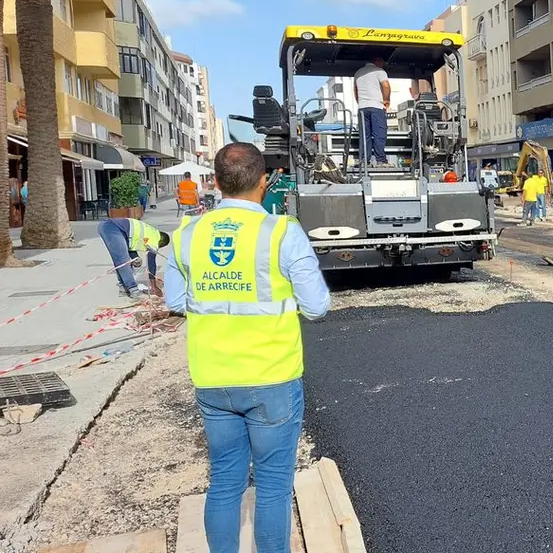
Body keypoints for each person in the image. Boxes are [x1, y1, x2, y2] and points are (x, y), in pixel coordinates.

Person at [165, 143, 330, 553]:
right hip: (272, 377)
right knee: (273, 484)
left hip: (213, 378)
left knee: (224, 479)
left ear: (216, 183)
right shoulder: (280, 231)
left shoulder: (187, 233)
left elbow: (173, 302)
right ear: (264, 181)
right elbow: (317, 307)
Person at [97, 215, 169, 300]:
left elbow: (130, 243)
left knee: (120, 258)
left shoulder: (149, 232)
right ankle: (134, 290)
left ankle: (123, 288)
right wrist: (154, 286)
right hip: (112, 228)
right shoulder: (154, 238)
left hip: (110, 227)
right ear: (161, 243)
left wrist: (135, 257)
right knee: (123, 260)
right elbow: (151, 262)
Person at [354, 57, 391, 166]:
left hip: (362, 108)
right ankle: (381, 161)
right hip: (376, 106)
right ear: (378, 61)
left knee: (365, 135)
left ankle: (364, 161)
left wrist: (360, 102)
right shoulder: (379, 71)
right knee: (379, 134)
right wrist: (386, 100)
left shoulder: (358, 72)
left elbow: (355, 91)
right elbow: (386, 86)